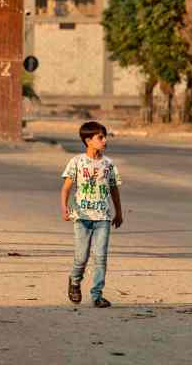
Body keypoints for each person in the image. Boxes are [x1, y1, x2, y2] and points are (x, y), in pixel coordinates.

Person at [61, 121, 123, 309]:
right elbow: (66, 188)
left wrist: (118, 212)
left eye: (105, 137)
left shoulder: (109, 164)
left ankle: (97, 295)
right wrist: (64, 208)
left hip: (102, 218)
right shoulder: (77, 162)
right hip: (82, 217)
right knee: (81, 257)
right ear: (88, 140)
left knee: (101, 256)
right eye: (100, 137)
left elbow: (114, 190)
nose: (104, 141)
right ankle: (74, 280)